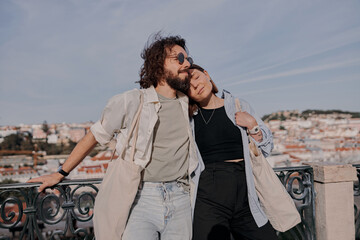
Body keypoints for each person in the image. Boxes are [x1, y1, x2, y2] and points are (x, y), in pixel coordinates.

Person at [27, 34, 204, 240]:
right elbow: (94, 135)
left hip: (181, 198)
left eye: (188, 60)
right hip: (141, 199)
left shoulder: (188, 103)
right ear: (158, 65)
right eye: (178, 59)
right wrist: (60, 173)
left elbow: (211, 93)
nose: (187, 65)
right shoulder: (131, 101)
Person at [187, 64, 278, 240]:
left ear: (207, 75)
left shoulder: (238, 105)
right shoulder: (190, 117)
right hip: (208, 195)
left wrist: (253, 126)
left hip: (245, 192)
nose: (195, 85)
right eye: (188, 86)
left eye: (197, 77)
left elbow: (266, 148)